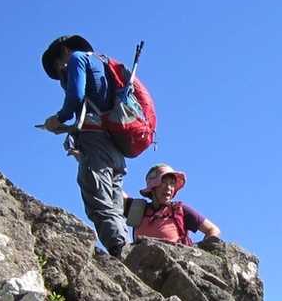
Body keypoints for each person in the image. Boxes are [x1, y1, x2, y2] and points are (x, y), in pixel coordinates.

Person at [40, 34, 131, 257]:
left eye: (58, 66)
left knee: (98, 200)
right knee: (114, 201)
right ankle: (127, 248)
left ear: (64, 51)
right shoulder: (101, 62)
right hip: (116, 143)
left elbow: (75, 97)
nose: (62, 72)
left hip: (96, 141)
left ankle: (119, 251)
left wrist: (58, 119)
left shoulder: (77, 58)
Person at [126, 164, 220, 247]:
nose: (169, 187)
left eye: (172, 183)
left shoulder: (180, 209)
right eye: (163, 182)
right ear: (152, 187)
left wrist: (200, 255)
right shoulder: (138, 208)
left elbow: (213, 230)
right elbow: (118, 193)